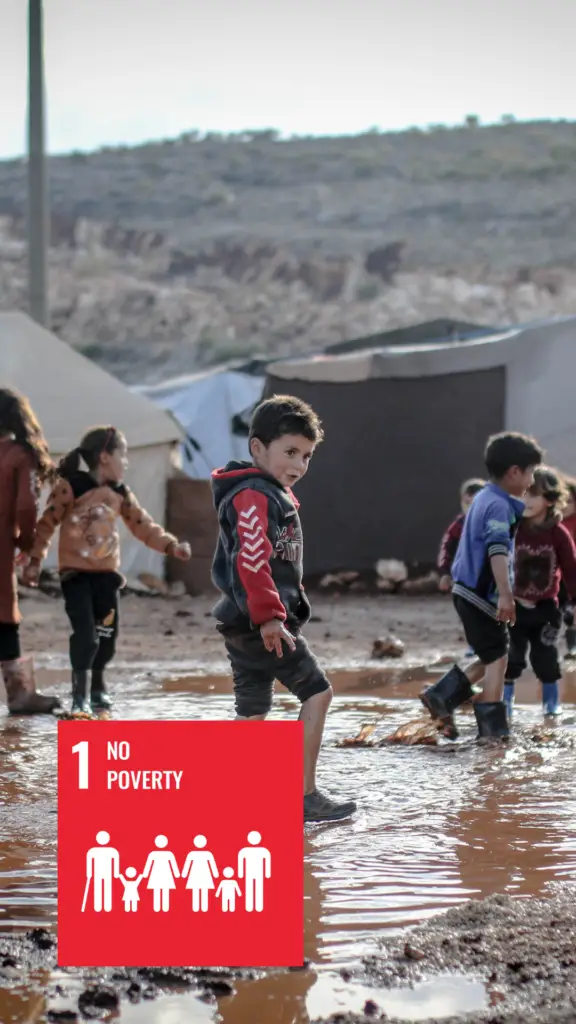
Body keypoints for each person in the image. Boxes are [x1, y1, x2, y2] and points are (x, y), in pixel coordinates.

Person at [211, 395, 357, 823]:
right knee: (318, 692)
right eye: (290, 452)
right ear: (258, 448)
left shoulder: (268, 493)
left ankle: (232, 797)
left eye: (307, 456)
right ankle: (304, 795)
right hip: (260, 622)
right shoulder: (255, 495)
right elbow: (252, 560)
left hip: (242, 621)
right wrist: (272, 616)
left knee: (253, 710)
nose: (299, 464)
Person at [23, 426, 191, 717]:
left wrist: (171, 546)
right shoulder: (71, 487)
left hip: (107, 579)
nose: (126, 462)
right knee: (86, 636)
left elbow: (143, 526)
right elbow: (46, 524)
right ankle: (79, 695)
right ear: (104, 457)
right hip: (75, 577)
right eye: (122, 455)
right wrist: (35, 561)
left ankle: (98, 688)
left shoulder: (120, 493)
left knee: (107, 637)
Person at [420, 431, 544, 742]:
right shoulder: (498, 506)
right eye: (530, 473)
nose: (531, 481)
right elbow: (497, 550)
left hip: (467, 592)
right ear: (514, 471)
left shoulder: (485, 498)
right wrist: (505, 594)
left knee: (492, 654)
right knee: (498, 658)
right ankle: (492, 730)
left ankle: (441, 694)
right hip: (480, 595)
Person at [0, 388, 60, 715]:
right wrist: (25, 544)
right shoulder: (19, 455)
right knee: (5, 617)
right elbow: (26, 505)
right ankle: (20, 695)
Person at [503, 467, 576, 720]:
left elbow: (571, 569)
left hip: (546, 608)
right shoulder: (511, 529)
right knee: (510, 659)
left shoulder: (558, 533)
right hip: (512, 607)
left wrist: (574, 602)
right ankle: (505, 706)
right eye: (522, 494)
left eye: (533, 495)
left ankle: (551, 706)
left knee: (545, 658)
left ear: (551, 499)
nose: (526, 501)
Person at [437, 478, 486, 592]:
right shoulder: (458, 527)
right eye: (467, 503)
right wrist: (445, 573)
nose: (471, 509)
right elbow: (446, 549)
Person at [560, 476, 576, 658]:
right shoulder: (554, 524)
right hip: (558, 577)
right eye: (561, 501)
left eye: (569, 501)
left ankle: (573, 647)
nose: (565, 506)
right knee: (566, 613)